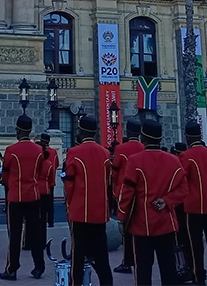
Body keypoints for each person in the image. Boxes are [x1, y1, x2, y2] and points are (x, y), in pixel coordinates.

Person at [118, 118, 189, 286]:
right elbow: (184, 189)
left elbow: (127, 192)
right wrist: (166, 200)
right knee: (168, 269)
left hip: (142, 224)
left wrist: (122, 216)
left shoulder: (135, 161)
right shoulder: (174, 160)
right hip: (166, 222)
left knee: (143, 270)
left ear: (143, 138)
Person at [61, 116, 113, 286]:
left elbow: (69, 184)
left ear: (81, 131)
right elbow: (108, 182)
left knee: (78, 254)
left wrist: (69, 205)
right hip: (99, 211)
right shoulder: (105, 153)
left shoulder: (74, 153)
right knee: (101, 255)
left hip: (80, 210)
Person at [0, 114, 46, 281]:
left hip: (16, 197)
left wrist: (10, 184)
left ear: (18, 130)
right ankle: (39, 266)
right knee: (35, 234)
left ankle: (12, 268)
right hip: (33, 196)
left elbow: (5, 176)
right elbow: (39, 173)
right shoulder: (39, 150)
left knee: (15, 235)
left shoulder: (11, 151)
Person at [180, 121, 207, 286]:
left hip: (192, 206)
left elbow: (182, 180)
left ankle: (199, 277)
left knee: (195, 245)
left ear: (188, 136)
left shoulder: (186, 156)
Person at [112, 118, 144, 274]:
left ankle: (127, 261)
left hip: (125, 192)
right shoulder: (143, 148)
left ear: (129, 131)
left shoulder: (121, 149)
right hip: (142, 192)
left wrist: (115, 191)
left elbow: (115, 171)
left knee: (126, 229)